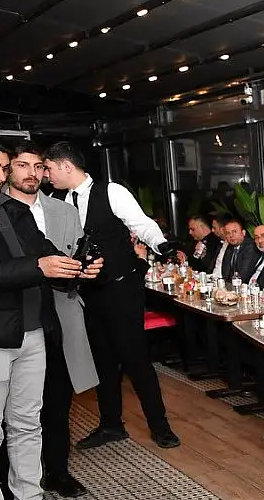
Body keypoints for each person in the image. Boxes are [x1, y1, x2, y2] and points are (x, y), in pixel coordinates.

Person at [0, 135, 96, 500]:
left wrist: (78, 268)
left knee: (27, 422)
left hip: (33, 331)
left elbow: (47, 256)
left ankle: (28, 499)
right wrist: (38, 266)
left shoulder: (13, 211)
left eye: (2, 167)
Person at [42, 142, 181, 449]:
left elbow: (141, 224)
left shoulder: (111, 191)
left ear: (66, 166)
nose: (46, 175)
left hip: (121, 289)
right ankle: (111, 425)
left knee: (135, 359)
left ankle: (160, 426)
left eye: (48, 168)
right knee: (101, 361)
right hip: (86, 294)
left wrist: (162, 245)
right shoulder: (56, 200)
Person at [213, 216, 257, 282]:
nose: (231, 235)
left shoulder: (250, 247)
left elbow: (244, 274)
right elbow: (225, 272)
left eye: (234, 232)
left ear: (243, 233)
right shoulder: (230, 247)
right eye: (228, 233)